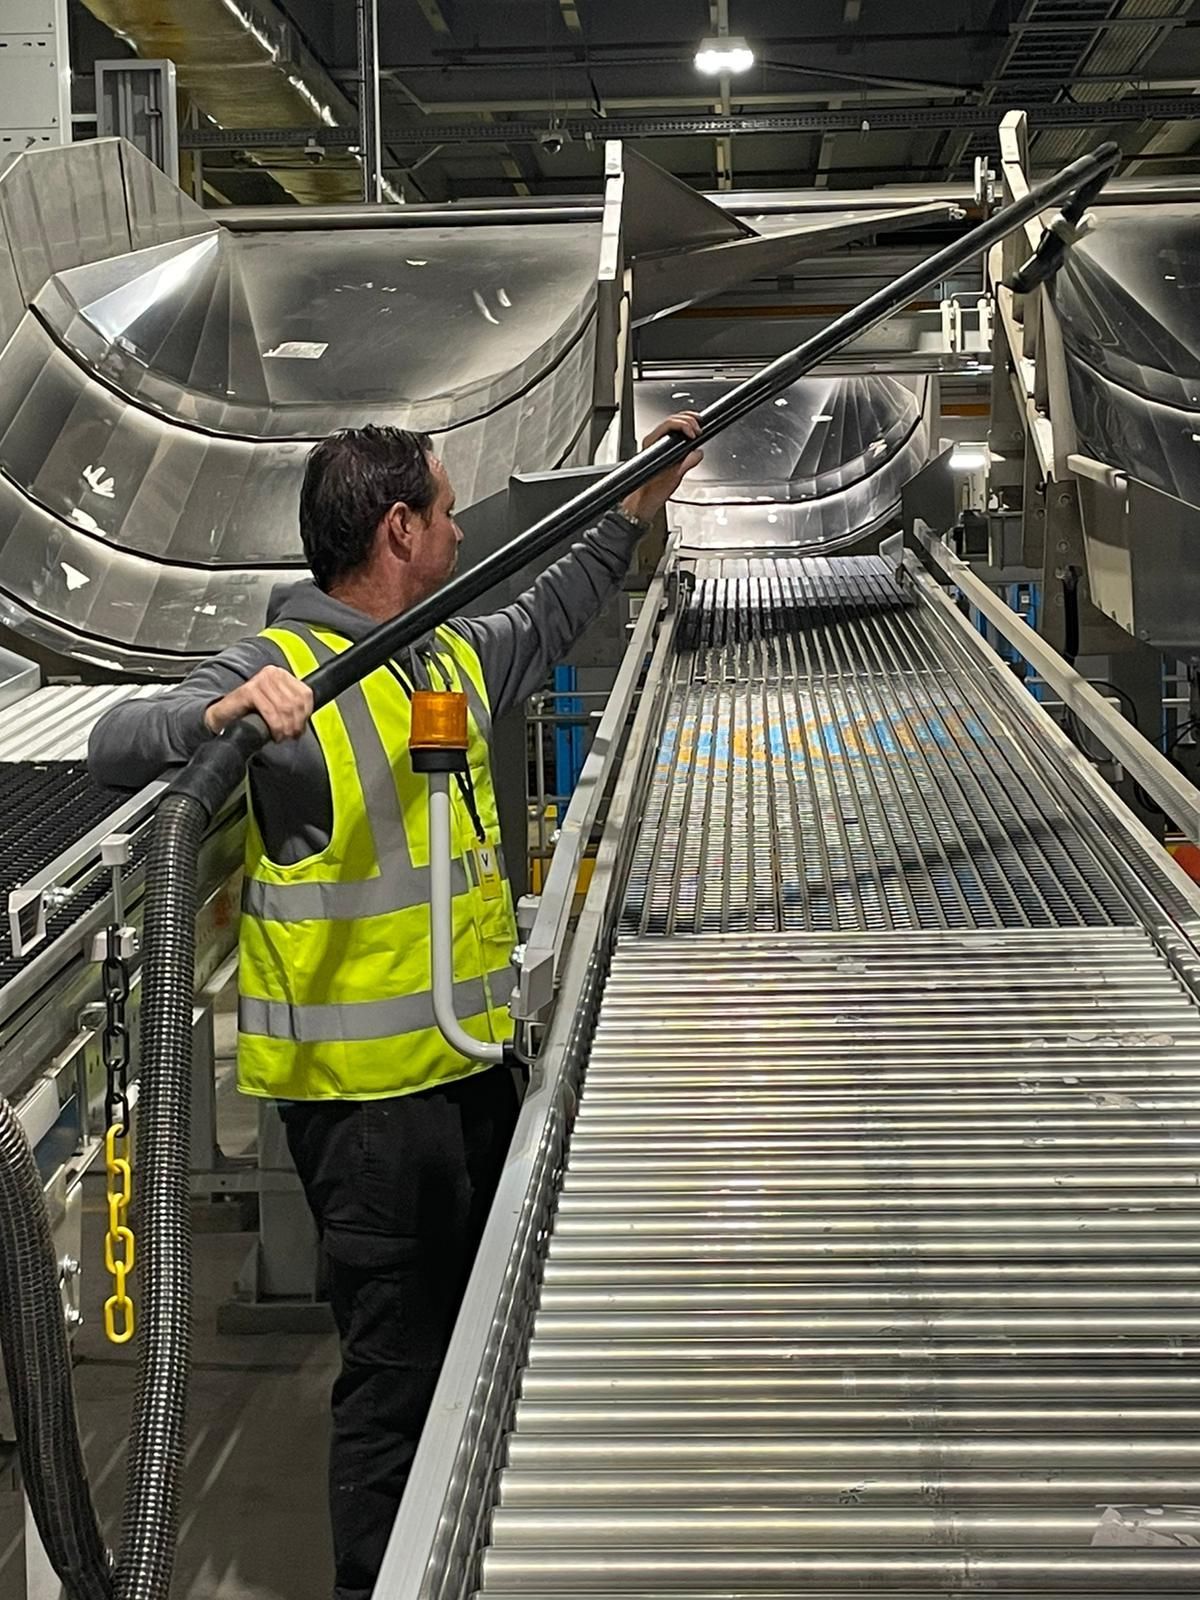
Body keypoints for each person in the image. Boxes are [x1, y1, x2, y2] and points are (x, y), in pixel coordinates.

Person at [87, 414, 702, 1600]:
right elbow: (121, 740)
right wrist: (222, 716)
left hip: (469, 1075)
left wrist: (637, 505)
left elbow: (551, 612)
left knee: (479, 1351)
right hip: (365, 1118)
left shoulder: (442, 658)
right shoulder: (281, 671)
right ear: (398, 526)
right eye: (448, 508)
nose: (464, 528)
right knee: (394, 1380)